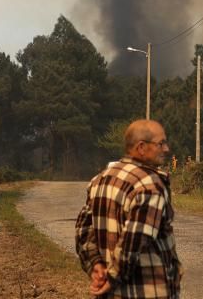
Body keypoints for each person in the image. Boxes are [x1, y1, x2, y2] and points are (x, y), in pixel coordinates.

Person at [75, 119, 182, 298]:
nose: (166, 149)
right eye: (161, 143)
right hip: (147, 291)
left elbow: (83, 231)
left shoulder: (100, 178)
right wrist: (113, 277)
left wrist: (95, 265)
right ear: (141, 147)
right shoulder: (150, 185)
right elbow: (134, 240)